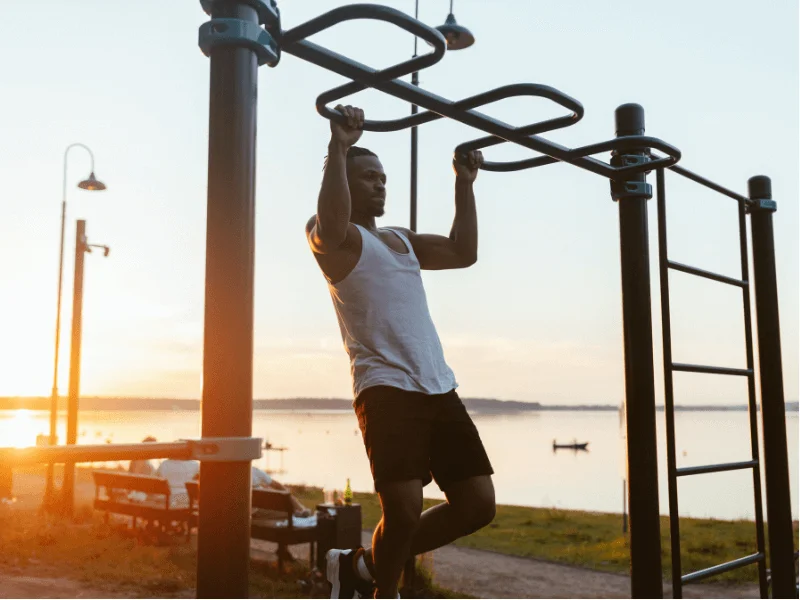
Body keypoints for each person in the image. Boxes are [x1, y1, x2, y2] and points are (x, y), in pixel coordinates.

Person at [306, 105, 495, 599]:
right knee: (405, 511)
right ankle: (382, 592)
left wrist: (464, 184)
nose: (380, 184)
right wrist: (338, 146)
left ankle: (361, 565)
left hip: (437, 384)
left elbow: (463, 252)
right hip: (385, 388)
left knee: (478, 504)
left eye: (382, 178)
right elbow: (332, 220)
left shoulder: (401, 240)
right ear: (344, 182)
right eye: (368, 177)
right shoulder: (335, 240)